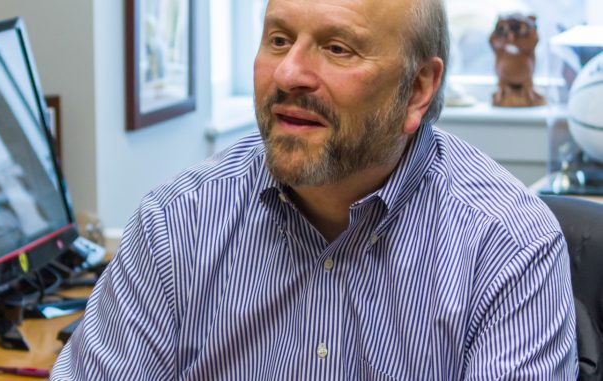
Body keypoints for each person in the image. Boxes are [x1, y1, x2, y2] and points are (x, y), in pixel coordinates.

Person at [51, 0, 577, 379]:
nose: (289, 73)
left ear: (417, 89)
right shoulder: (176, 223)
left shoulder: (508, 244)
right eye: (278, 39)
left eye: (337, 48)